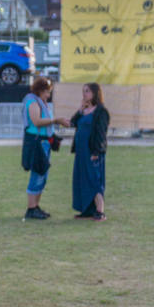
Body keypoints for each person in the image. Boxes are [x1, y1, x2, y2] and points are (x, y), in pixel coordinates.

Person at [22, 75, 70, 221]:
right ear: (40, 90)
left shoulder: (39, 101)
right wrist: (56, 120)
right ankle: (31, 208)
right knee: (38, 173)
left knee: (42, 174)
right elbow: (36, 121)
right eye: (47, 92)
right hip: (37, 142)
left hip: (44, 142)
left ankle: (36, 206)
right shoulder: (32, 101)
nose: (48, 95)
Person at [70, 82, 110, 221]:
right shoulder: (85, 110)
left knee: (94, 179)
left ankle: (100, 211)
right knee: (82, 179)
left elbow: (101, 133)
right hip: (81, 152)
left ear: (95, 93)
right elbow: (73, 122)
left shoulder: (101, 111)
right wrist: (80, 109)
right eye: (83, 91)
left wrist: (96, 152)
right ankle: (87, 210)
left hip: (92, 151)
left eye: (87, 91)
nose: (84, 94)